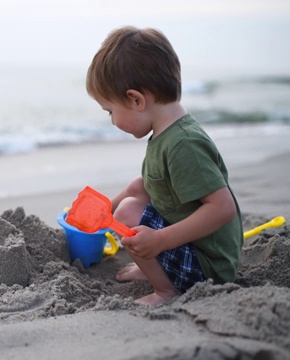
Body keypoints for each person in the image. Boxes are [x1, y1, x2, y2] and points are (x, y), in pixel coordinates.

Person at [85, 26, 243, 305]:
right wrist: (103, 209)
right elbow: (146, 184)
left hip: (209, 267)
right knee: (129, 202)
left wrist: (161, 241)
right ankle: (156, 269)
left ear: (136, 100)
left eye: (111, 111)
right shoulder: (166, 133)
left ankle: (166, 291)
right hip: (192, 249)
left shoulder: (184, 144)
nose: (111, 121)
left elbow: (222, 208)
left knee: (128, 213)